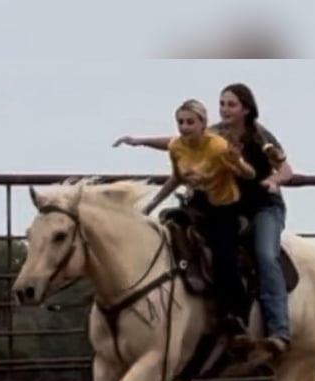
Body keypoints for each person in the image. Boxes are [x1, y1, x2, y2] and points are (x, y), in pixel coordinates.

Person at [114, 83, 294, 357]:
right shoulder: (216, 133)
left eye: (231, 104)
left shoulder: (260, 136)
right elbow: (181, 141)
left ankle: (279, 329)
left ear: (246, 108)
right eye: (222, 104)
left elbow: (285, 168)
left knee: (265, 255)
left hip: (262, 204)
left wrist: (273, 181)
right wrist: (140, 141)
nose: (225, 109)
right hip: (228, 204)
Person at [147, 98, 258, 341]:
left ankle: (237, 314)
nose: (184, 127)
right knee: (170, 233)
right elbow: (176, 178)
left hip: (224, 206)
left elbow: (249, 174)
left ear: (203, 123)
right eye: (180, 122)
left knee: (223, 257)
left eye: (190, 122)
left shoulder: (218, 146)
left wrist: (237, 160)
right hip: (196, 203)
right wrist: (152, 204)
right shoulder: (177, 147)